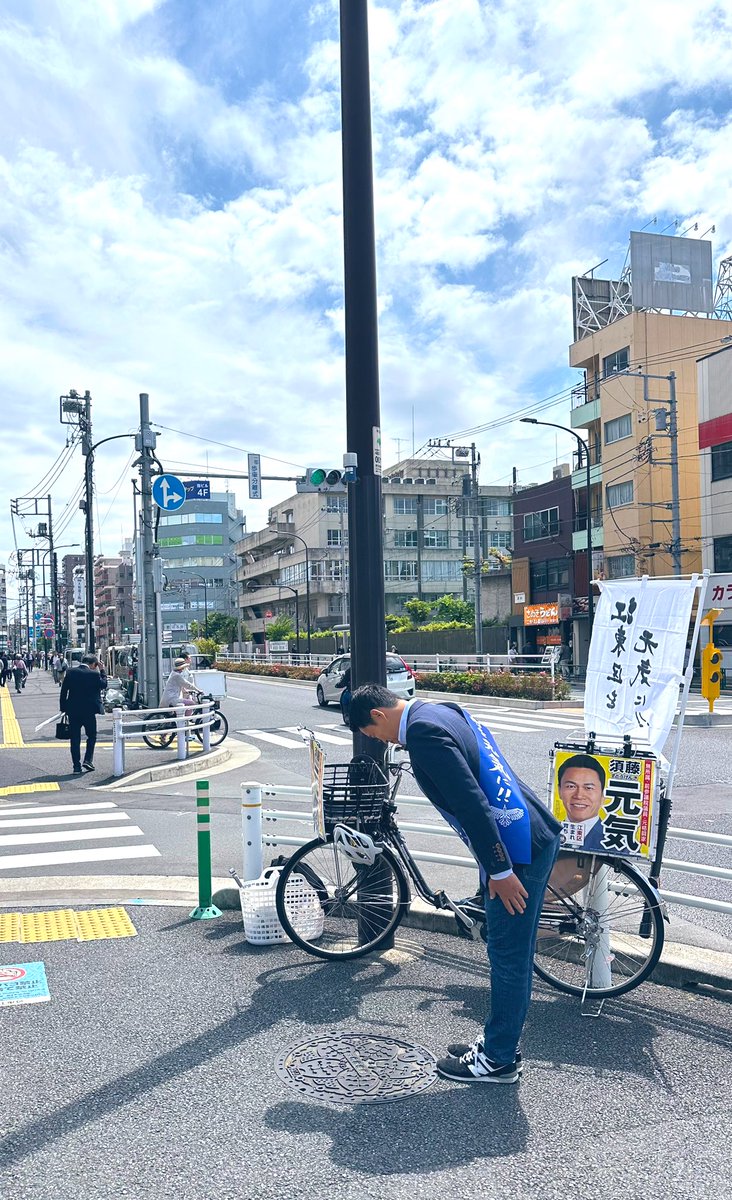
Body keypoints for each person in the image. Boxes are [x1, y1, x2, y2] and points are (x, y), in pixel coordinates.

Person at [348, 684, 562, 1085]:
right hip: (526, 831)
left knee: (508, 953)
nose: (381, 741)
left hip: (517, 851)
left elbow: (471, 803)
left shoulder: (425, 735)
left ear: (378, 716)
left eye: (374, 735)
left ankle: (498, 1060)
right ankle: (499, 1042)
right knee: (511, 949)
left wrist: (500, 871)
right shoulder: (439, 709)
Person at [59, 653, 105, 774]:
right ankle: (88, 760)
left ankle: (76, 767)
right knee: (92, 736)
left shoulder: (70, 672)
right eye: (96, 665)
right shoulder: (94, 674)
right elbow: (104, 684)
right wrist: (102, 670)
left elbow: (64, 692)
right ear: (93, 664)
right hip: (89, 711)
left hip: (73, 711)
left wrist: (63, 709)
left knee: (75, 739)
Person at [557, 753, 606, 851]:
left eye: (588, 788)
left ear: (602, 795)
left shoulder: (617, 844)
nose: (579, 795)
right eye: (571, 786)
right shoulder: (549, 834)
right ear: (559, 791)